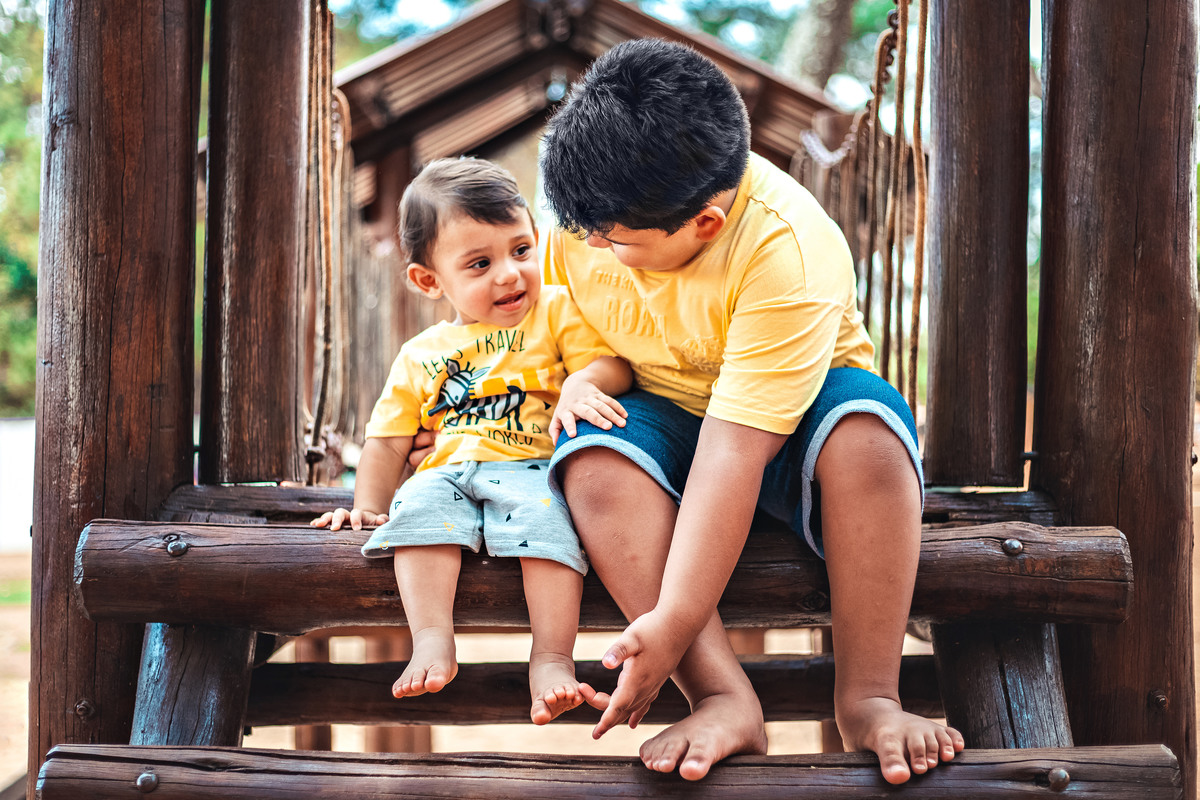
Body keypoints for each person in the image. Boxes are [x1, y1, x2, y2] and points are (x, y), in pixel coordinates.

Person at [535, 38, 965, 783]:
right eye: (587, 233)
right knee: (592, 463)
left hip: (793, 424)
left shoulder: (786, 251)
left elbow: (733, 450)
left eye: (617, 241)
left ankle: (869, 696)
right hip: (661, 411)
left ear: (704, 223)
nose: (595, 248)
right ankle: (721, 696)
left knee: (868, 440)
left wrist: (673, 620)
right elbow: (551, 335)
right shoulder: (592, 219)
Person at [312, 157, 632, 726]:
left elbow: (613, 366)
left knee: (548, 527)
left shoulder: (555, 312)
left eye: (521, 250)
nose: (509, 274)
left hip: (532, 467)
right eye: (481, 263)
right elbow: (387, 441)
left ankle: (552, 659)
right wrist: (367, 506)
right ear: (429, 281)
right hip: (446, 471)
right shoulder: (420, 353)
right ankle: (432, 640)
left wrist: (583, 383)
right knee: (416, 512)